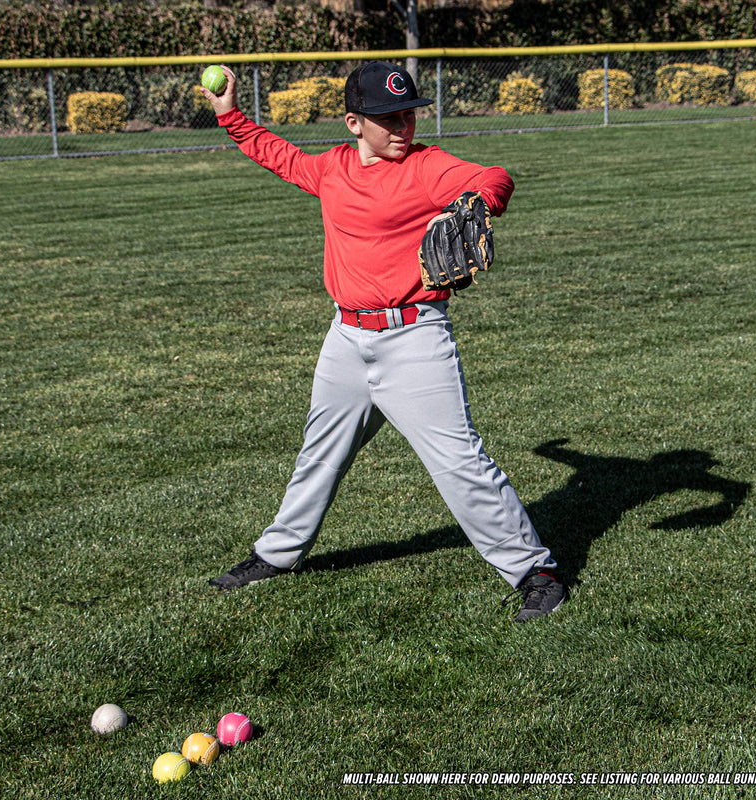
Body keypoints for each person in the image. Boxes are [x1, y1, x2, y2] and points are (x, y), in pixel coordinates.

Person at [201, 61, 566, 622]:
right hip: (346, 339)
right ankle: (276, 555)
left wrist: (477, 203)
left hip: (414, 338)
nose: (402, 126)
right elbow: (276, 153)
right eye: (386, 117)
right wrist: (230, 114)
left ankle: (535, 574)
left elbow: (493, 176)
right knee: (319, 456)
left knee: (459, 462)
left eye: (408, 114)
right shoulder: (331, 170)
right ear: (354, 122)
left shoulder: (426, 168)